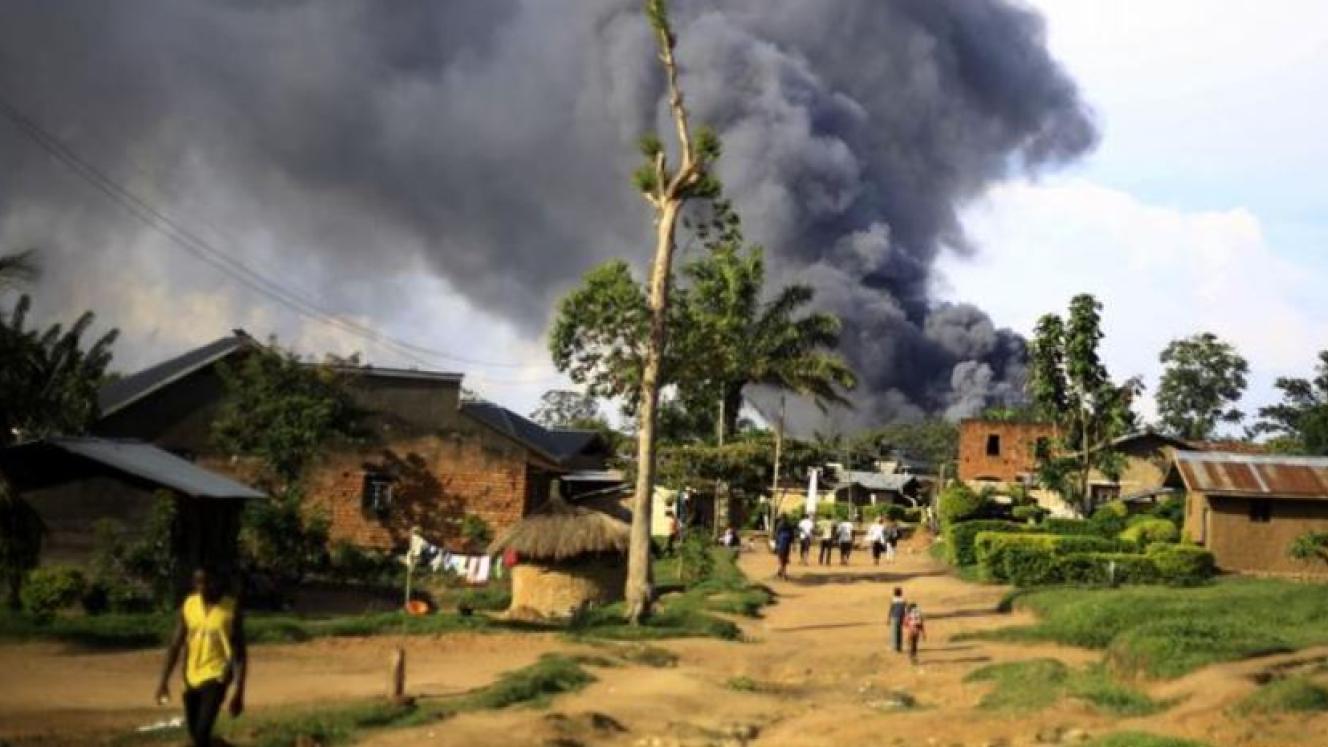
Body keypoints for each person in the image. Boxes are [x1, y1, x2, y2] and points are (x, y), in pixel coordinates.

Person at [155, 568, 247, 747]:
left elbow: (240, 654)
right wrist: (163, 681)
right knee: (196, 735)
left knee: (202, 730)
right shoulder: (189, 605)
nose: (203, 587)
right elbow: (175, 645)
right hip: (190, 677)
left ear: (217, 583)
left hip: (217, 675)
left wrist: (239, 691)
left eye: (207, 582)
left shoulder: (230, 608)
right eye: (198, 583)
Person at [773, 516, 795, 580]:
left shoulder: (779, 525)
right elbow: (792, 535)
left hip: (781, 544)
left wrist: (776, 544)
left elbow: (776, 535)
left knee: (781, 558)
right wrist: (793, 544)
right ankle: (781, 571)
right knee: (785, 558)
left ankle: (783, 572)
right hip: (787, 544)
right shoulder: (789, 525)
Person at [887, 587, 907, 653]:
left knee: (894, 633)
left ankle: (894, 647)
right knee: (900, 632)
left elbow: (891, 610)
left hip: (894, 617)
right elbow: (905, 610)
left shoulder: (893, 600)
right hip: (901, 617)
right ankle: (899, 647)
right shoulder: (903, 600)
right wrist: (905, 618)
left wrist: (888, 618)